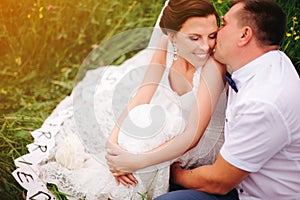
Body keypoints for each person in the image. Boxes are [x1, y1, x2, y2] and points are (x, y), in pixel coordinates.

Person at [13, 0, 227, 199]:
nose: (206, 46)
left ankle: (119, 187)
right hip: (168, 117)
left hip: (196, 139)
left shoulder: (213, 65)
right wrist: (112, 140)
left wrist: (137, 161)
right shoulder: (165, 45)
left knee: (150, 135)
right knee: (140, 120)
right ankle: (117, 177)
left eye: (212, 35)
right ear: (172, 35)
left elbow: (193, 135)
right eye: (194, 38)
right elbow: (144, 93)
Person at [153, 0, 300, 199]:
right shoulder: (271, 62)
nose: (217, 32)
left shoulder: (262, 102)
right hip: (242, 179)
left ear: (244, 35)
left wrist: (174, 174)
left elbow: (218, 181)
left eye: (224, 24)